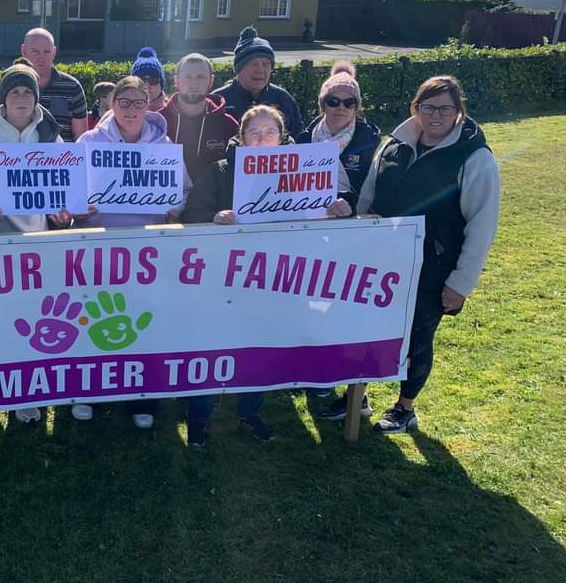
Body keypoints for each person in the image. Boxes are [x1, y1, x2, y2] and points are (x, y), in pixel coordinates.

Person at [180, 105, 352, 445]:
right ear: (241, 137)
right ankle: (199, 418)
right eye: (254, 133)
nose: (261, 140)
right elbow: (192, 213)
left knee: (261, 348)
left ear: (282, 137)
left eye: (269, 133)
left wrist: (341, 207)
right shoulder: (219, 172)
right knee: (214, 347)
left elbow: (320, 218)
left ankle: (249, 412)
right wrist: (214, 216)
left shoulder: (303, 173)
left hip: (277, 280)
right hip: (223, 280)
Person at [337, 76, 500, 433]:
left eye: (445, 108)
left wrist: (460, 283)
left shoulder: (474, 158)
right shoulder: (393, 147)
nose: (435, 115)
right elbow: (367, 197)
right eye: (428, 107)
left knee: (416, 338)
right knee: (365, 329)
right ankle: (356, 397)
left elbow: (482, 226)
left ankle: (404, 407)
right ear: (416, 108)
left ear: (459, 112)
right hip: (381, 261)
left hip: (433, 268)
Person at [74, 76, 189, 429]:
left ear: (150, 105)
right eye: (123, 101)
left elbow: (184, 192)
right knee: (93, 320)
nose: (131, 109)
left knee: (145, 323)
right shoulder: (89, 142)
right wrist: (80, 208)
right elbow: (68, 193)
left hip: (148, 252)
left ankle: (143, 395)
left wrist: (177, 209)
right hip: (99, 247)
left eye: (139, 102)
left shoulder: (165, 146)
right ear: (111, 104)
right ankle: (88, 392)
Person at [0, 63, 73, 427]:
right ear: (3, 98)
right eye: (14, 92)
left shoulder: (51, 135)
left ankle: (26, 396)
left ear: (37, 97)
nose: (22, 98)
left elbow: (63, 191)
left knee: (32, 322)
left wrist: (64, 215)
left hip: (36, 244)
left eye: (27, 92)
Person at [296, 62, 380, 198]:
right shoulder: (304, 140)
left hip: (356, 215)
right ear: (323, 105)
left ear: (356, 107)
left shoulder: (372, 142)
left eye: (349, 103)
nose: (341, 107)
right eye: (333, 102)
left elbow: (374, 190)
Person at [0, 28, 88, 141]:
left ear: (54, 52)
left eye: (47, 52)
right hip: (11, 155)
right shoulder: (5, 83)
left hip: (59, 155)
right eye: (35, 51)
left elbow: (81, 140)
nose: (41, 57)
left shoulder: (72, 87)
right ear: (23, 51)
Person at [160, 53, 238, 184]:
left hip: (212, 203)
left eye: (200, 77)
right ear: (176, 81)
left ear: (211, 81)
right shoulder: (158, 122)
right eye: (187, 77)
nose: (193, 84)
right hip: (166, 202)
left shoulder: (228, 125)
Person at [213, 26, 303, 137]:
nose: (260, 70)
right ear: (238, 69)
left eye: (265, 64)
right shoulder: (219, 100)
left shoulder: (284, 99)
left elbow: (299, 140)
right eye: (253, 64)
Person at [130, 46, 168, 112]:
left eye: (153, 80)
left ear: (161, 85)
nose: (147, 85)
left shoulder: (174, 114)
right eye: (141, 80)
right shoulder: (117, 114)